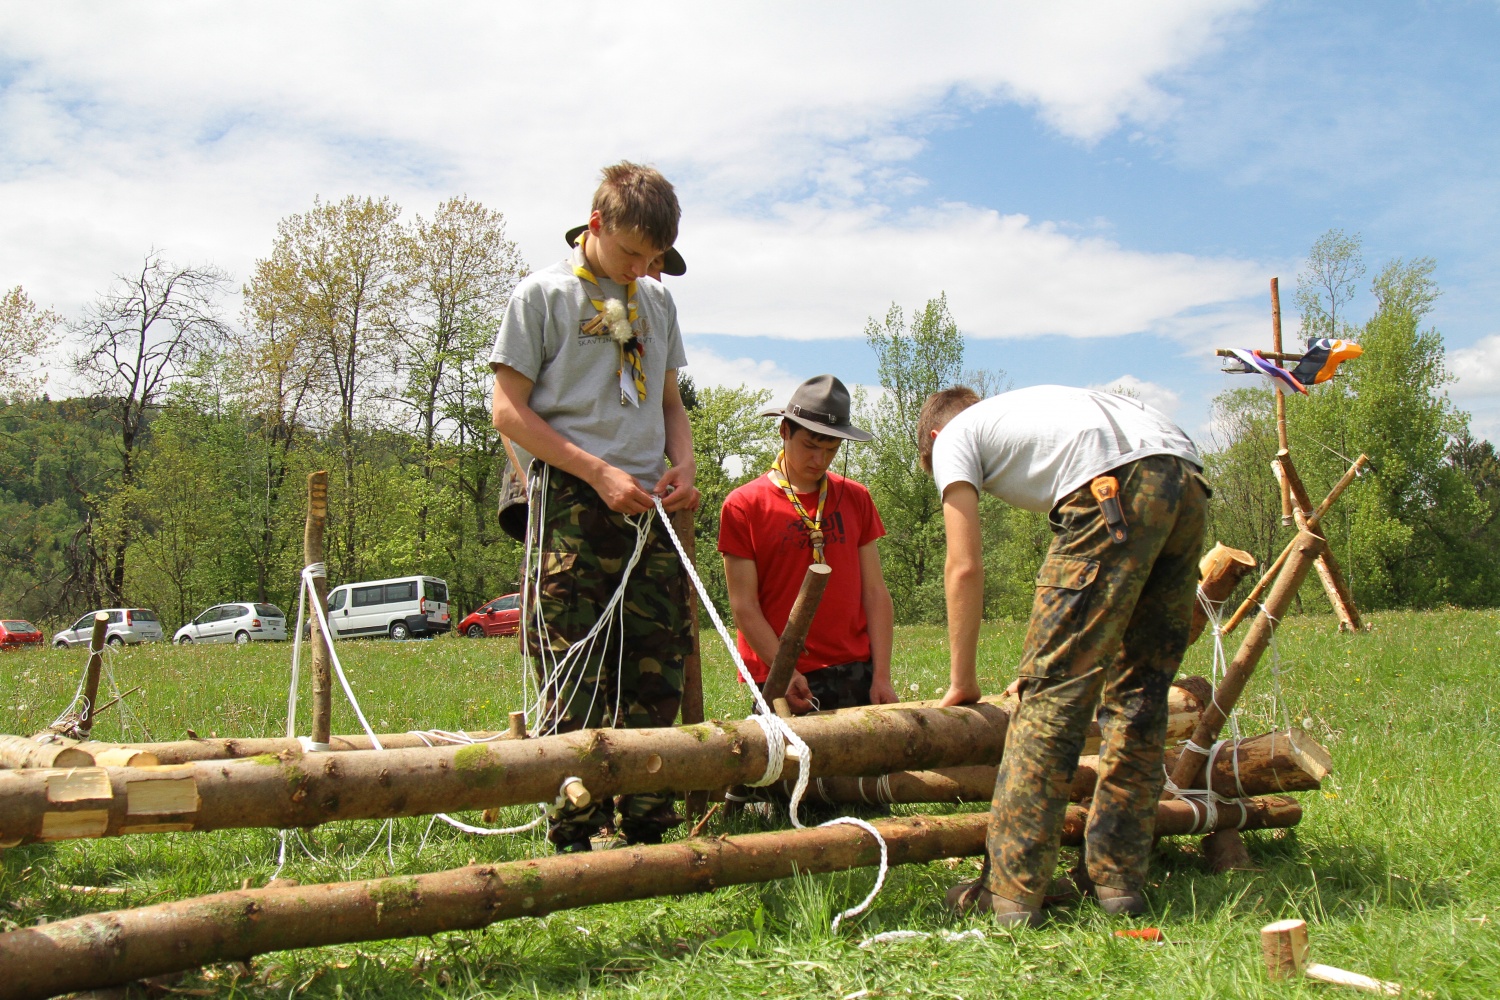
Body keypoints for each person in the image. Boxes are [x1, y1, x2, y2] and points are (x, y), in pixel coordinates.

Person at [919, 384, 1209, 926]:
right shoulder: (1040, 409)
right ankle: (1117, 880)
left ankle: (1009, 891)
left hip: (1114, 486)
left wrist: (963, 679)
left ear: (935, 438)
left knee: (1051, 696)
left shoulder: (954, 436)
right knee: (1141, 692)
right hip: (1186, 478)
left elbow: (963, 565)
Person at [490, 162, 699, 853]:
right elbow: (507, 413)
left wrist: (684, 463)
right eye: (633, 253)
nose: (644, 269)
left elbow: (670, 405)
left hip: (647, 502)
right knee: (575, 665)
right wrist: (596, 472)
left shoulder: (657, 303)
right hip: (573, 499)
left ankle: (648, 817)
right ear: (597, 224)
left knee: (655, 660)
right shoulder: (543, 296)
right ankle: (579, 823)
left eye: (655, 258)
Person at [718, 375, 896, 714]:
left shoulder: (856, 497)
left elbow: (875, 593)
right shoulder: (744, 505)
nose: (820, 459)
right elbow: (744, 606)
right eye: (811, 446)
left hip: (855, 667)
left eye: (831, 450)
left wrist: (882, 676)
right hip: (781, 673)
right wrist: (784, 669)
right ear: (785, 431)